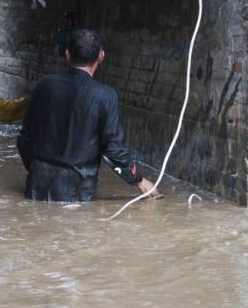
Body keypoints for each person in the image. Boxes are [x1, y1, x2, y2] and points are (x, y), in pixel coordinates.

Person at [17, 29, 158, 202]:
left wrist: (36, 170)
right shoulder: (105, 96)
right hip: (76, 192)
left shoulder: (44, 86)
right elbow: (113, 149)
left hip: (35, 186)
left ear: (67, 54)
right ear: (101, 56)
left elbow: (24, 139)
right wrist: (138, 180)